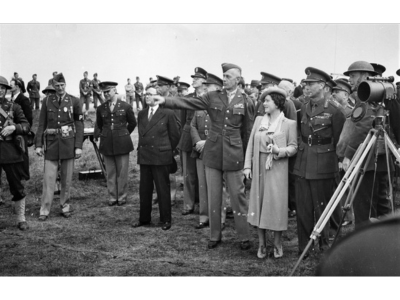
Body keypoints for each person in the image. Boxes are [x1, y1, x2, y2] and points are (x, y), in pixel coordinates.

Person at [150, 63, 254, 250]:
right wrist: (165, 101)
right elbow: (189, 103)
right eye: (224, 75)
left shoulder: (246, 101)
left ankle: (244, 237)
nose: (225, 78)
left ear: (238, 80)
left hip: (234, 153)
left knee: (238, 196)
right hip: (213, 152)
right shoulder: (212, 96)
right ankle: (215, 235)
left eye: (229, 76)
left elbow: (247, 133)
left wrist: (247, 160)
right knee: (213, 195)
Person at [337, 61, 400, 229]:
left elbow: (363, 126)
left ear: (366, 76)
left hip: (366, 159)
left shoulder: (364, 95)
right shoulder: (371, 95)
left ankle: (365, 246)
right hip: (379, 157)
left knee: (364, 208)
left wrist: (348, 155)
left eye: (353, 75)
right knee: (382, 205)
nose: (350, 79)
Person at [293, 67, 345, 257]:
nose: (306, 86)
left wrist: (337, 162)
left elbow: (340, 141)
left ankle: (324, 245)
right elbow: (300, 133)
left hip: (324, 164)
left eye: (311, 83)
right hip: (303, 161)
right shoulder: (303, 107)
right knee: (303, 207)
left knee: (322, 206)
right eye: (305, 83)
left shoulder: (334, 111)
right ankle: (304, 247)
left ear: (322, 86)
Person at [244, 87, 298, 259]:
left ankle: (277, 243)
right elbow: (251, 144)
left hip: (277, 168)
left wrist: (279, 150)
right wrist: (247, 166)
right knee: (259, 204)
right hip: (259, 166)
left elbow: (294, 147)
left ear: (277, 102)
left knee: (275, 205)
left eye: (267, 100)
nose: (264, 103)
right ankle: (261, 244)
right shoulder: (259, 120)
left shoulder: (289, 123)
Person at [35, 73, 84, 221]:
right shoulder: (47, 101)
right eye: (57, 86)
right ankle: (44, 209)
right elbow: (41, 124)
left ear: (65, 85)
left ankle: (65, 206)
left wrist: (78, 146)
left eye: (62, 85)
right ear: (53, 86)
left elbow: (79, 125)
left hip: (68, 144)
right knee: (49, 179)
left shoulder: (74, 101)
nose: (60, 88)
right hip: (51, 144)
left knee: (67, 178)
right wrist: (38, 145)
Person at [132, 81, 180, 231]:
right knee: (145, 190)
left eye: (150, 94)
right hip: (145, 156)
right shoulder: (141, 114)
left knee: (162, 189)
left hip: (161, 157)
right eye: (146, 94)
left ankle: (165, 220)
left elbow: (175, 136)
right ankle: (144, 219)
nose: (147, 97)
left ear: (158, 97)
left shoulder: (168, 113)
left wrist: (165, 150)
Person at [190, 73, 227, 230]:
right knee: (203, 184)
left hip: (215, 150)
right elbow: (192, 125)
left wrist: (207, 142)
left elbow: (223, 128)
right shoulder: (200, 105)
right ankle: (204, 216)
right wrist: (198, 141)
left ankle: (220, 218)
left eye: (208, 87)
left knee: (218, 186)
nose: (205, 90)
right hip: (200, 151)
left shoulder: (222, 106)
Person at [95, 81, 136, 206]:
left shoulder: (126, 106)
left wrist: (123, 134)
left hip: (122, 143)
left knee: (122, 171)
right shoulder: (101, 108)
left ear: (114, 90)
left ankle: (122, 196)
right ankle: (112, 196)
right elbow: (100, 125)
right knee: (110, 171)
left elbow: (133, 123)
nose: (106, 94)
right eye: (104, 92)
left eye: (108, 91)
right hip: (107, 143)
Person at [0, 76, 31, 230]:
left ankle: (21, 218)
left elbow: (26, 125)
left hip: (10, 151)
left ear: (6, 90)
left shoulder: (14, 107)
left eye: (2, 88)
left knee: (16, 185)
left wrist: (14, 128)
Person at [179, 67, 208, 215]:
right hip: (187, 138)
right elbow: (184, 119)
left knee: (204, 174)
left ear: (205, 80)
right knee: (188, 174)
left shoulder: (211, 97)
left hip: (204, 139)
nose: (194, 80)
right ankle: (188, 204)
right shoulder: (189, 97)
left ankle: (203, 204)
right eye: (193, 77)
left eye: (197, 78)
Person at [9, 79, 33, 182]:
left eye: (11, 85)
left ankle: (24, 175)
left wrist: (24, 130)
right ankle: (18, 175)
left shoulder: (23, 99)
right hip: (13, 131)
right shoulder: (12, 99)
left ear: (18, 86)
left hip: (21, 131)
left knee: (23, 154)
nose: (10, 87)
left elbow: (29, 118)